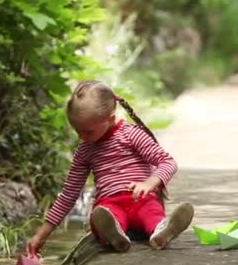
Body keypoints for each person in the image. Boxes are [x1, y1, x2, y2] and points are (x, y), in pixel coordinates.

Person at [26, 80, 194, 255]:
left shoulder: (131, 134)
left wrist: (150, 183)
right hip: (110, 203)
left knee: (150, 212)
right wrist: (41, 234)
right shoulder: (84, 150)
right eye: (77, 131)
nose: (82, 137)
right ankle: (114, 235)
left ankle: (161, 231)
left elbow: (168, 162)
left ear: (111, 119)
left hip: (141, 200)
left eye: (88, 131)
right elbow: (69, 194)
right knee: (105, 215)